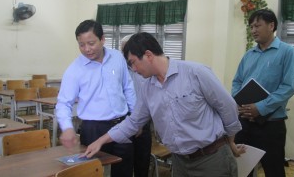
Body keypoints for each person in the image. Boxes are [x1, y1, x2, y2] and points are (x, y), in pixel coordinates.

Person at [81, 32, 246, 177]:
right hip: (180, 162)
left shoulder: (195, 73)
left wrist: (230, 140)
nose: (132, 69)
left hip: (211, 159)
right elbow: (133, 122)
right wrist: (101, 141)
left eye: (132, 62)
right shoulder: (147, 88)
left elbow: (228, 106)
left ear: (148, 55)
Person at [55, 20, 136, 177]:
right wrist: (68, 128)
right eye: (81, 45)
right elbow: (64, 103)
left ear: (103, 39)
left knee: (124, 169)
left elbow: (128, 87)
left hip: (123, 125)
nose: (87, 49)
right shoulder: (74, 70)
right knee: (94, 171)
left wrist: (134, 117)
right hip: (94, 130)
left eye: (91, 43)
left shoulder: (117, 57)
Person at [232, 9, 294, 177]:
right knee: (242, 167)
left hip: (271, 124)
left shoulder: (287, 52)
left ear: (271, 26)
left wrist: (261, 107)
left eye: (257, 25)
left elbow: (288, 86)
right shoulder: (249, 55)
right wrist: (239, 101)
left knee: (273, 168)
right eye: (251, 26)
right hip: (245, 121)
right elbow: (237, 81)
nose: (253, 30)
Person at [120, 35, 152, 177]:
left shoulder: (146, 69)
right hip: (124, 120)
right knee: (123, 164)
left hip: (143, 121)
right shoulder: (118, 69)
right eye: (124, 50)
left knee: (142, 163)